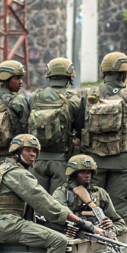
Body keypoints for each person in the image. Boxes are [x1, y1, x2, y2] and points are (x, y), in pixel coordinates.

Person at [80, 51, 127, 219]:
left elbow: (80, 125)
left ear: (104, 72)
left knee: (91, 208)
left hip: (93, 163)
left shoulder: (89, 95)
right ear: (124, 74)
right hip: (121, 164)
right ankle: (120, 243)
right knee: (119, 211)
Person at [29, 57, 83, 194]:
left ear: (49, 75)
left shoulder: (34, 98)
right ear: (69, 76)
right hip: (62, 160)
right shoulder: (74, 101)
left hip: (36, 159)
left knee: (37, 204)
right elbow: (81, 130)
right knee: (58, 204)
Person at [53, 154, 127, 235]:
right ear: (73, 174)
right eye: (83, 172)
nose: (87, 175)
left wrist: (111, 228)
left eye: (89, 172)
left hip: (99, 238)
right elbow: (61, 216)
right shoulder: (62, 192)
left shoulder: (100, 193)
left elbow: (119, 223)